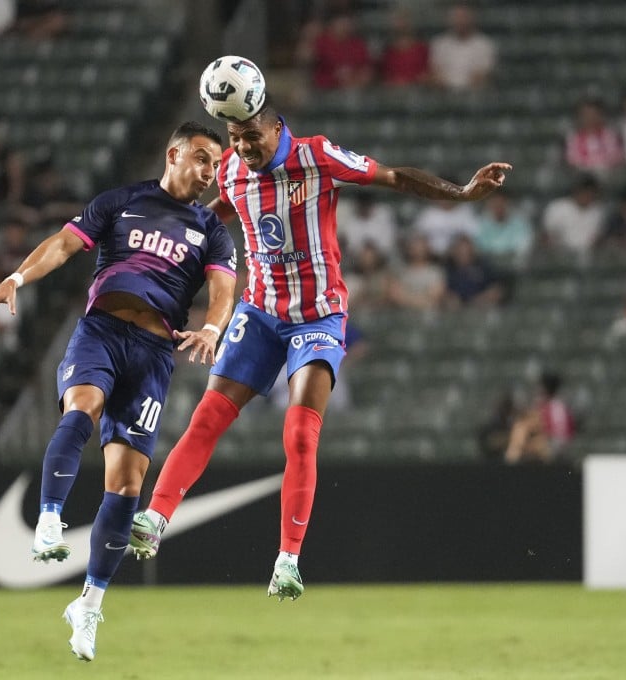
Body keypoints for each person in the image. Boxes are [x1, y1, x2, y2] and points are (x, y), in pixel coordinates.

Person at [127, 101, 510, 601]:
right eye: (236, 139)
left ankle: (288, 559)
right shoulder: (235, 171)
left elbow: (393, 177)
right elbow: (219, 209)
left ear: (276, 128)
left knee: (300, 434)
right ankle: (156, 517)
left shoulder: (317, 156)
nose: (244, 148)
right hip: (260, 313)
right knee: (207, 418)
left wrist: (460, 193)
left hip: (318, 316)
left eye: (251, 138)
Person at [0, 122, 236, 662]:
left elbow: (223, 287)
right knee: (82, 409)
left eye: (216, 165)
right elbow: (65, 244)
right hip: (102, 332)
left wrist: (212, 327)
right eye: (203, 159)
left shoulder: (212, 229)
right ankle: (49, 519)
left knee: (128, 481)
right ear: (174, 153)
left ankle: (88, 605)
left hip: (155, 355)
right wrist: (17, 279)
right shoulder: (123, 201)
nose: (210, 173)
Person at [298, 10, 374, 90]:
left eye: (348, 23)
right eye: (341, 23)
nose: (345, 26)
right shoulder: (321, 41)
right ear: (332, 24)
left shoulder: (358, 44)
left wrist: (356, 81)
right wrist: (308, 37)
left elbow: (367, 69)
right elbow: (303, 57)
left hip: (354, 91)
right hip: (325, 91)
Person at [429, 4, 496, 91]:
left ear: (471, 19)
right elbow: (436, 71)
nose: (460, 21)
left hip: (475, 94)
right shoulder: (439, 43)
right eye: (457, 17)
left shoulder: (484, 44)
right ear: (450, 20)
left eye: (464, 17)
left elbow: (482, 74)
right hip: (445, 93)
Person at [541, 174, 606, 263]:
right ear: (577, 191)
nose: (587, 196)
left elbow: (598, 239)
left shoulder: (598, 212)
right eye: (585, 192)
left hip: (587, 262)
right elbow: (546, 237)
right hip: (559, 259)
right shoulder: (557, 207)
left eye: (591, 193)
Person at [564, 98, 623, 180]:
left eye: (594, 114)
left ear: (601, 115)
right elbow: (573, 161)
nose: (590, 118)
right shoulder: (573, 138)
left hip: (608, 176)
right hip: (582, 178)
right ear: (579, 117)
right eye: (586, 115)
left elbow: (615, 158)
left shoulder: (610, 135)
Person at [442, 234, 505, 309]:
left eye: (467, 250)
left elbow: (497, 289)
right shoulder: (447, 269)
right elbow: (442, 291)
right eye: (460, 250)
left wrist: (479, 300)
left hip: (482, 306)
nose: (464, 253)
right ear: (454, 252)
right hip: (457, 310)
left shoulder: (483, 267)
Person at [388, 233, 447, 310]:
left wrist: (406, 298)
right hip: (403, 317)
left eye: (421, 246)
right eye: (414, 246)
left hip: (428, 318)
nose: (418, 249)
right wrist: (423, 300)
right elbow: (395, 296)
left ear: (427, 248)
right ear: (409, 248)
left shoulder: (435, 272)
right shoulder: (399, 271)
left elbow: (435, 297)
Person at [474, 191, 534, 267]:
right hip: (489, 266)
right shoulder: (481, 223)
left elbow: (523, 246)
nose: (498, 208)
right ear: (489, 205)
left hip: (514, 266)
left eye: (501, 204)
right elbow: (480, 247)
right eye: (495, 204)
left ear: (507, 204)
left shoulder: (520, 222)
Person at [412, 193, 479, 259]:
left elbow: (473, 239)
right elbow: (418, 237)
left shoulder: (465, 211)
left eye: (449, 196)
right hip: (432, 257)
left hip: (457, 259)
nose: (446, 200)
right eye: (443, 196)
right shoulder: (428, 214)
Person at [335, 191, 398, 260]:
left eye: (367, 204)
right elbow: (348, 246)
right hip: (354, 260)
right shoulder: (350, 222)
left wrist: (372, 248)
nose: (365, 207)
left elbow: (388, 245)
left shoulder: (382, 219)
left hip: (382, 259)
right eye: (362, 204)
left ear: (371, 205)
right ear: (358, 205)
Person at [378, 8, 429, 87]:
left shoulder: (422, 49)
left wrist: (411, 82)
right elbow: (382, 77)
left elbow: (428, 75)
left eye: (404, 20)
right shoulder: (386, 51)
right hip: (392, 92)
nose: (401, 25)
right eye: (397, 21)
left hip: (418, 92)